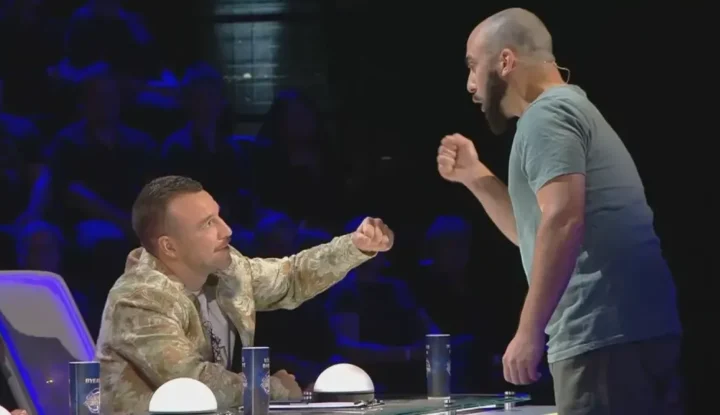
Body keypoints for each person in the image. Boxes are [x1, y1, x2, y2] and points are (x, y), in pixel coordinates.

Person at [436, 8, 682, 415]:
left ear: (505, 61)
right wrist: (476, 177)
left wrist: (529, 329)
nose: (470, 84)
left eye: (473, 66)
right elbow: (534, 233)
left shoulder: (546, 116)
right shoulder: (568, 108)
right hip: (631, 332)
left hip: (602, 337)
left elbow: (563, 220)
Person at [95, 175, 394, 414]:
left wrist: (356, 246)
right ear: (169, 247)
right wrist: (274, 389)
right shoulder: (139, 300)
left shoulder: (225, 268)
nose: (226, 230)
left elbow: (291, 277)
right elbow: (193, 384)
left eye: (218, 216)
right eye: (207, 224)